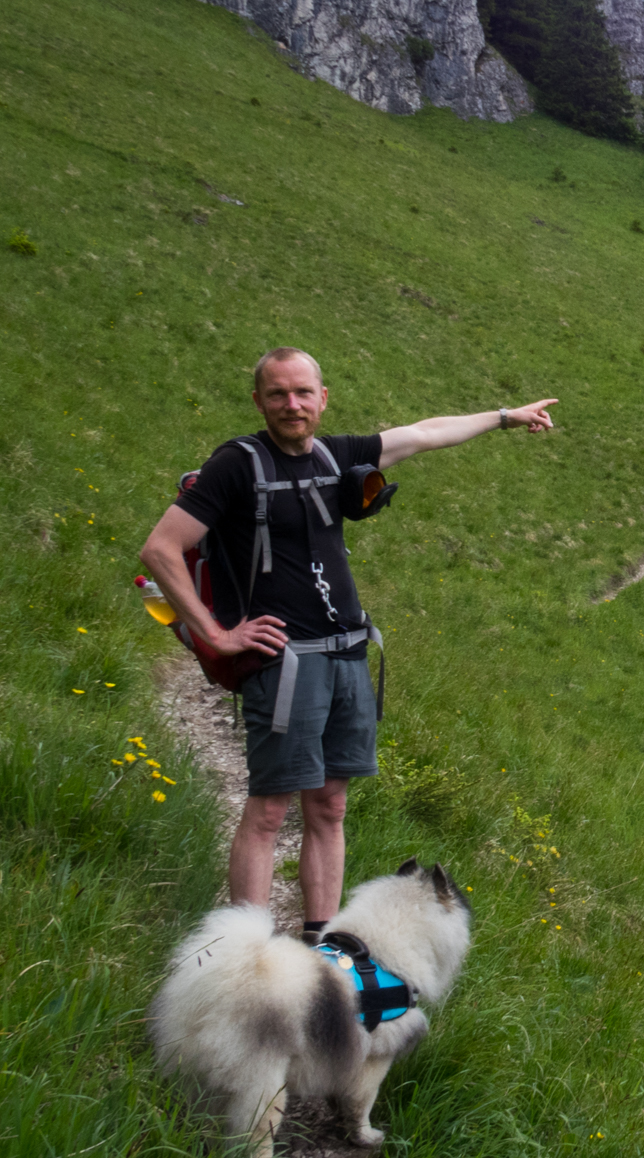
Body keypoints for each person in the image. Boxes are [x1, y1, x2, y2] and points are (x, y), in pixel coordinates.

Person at [140, 347, 556, 939]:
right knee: (269, 810)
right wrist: (216, 633)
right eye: (278, 393)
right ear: (258, 400)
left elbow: (426, 433)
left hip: (347, 655)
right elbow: (160, 549)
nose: (293, 404)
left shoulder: (336, 455)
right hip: (284, 664)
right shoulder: (237, 464)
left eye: (303, 392)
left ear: (323, 398)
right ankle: (245, 953)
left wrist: (506, 416)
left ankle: (317, 943)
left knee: (330, 806)